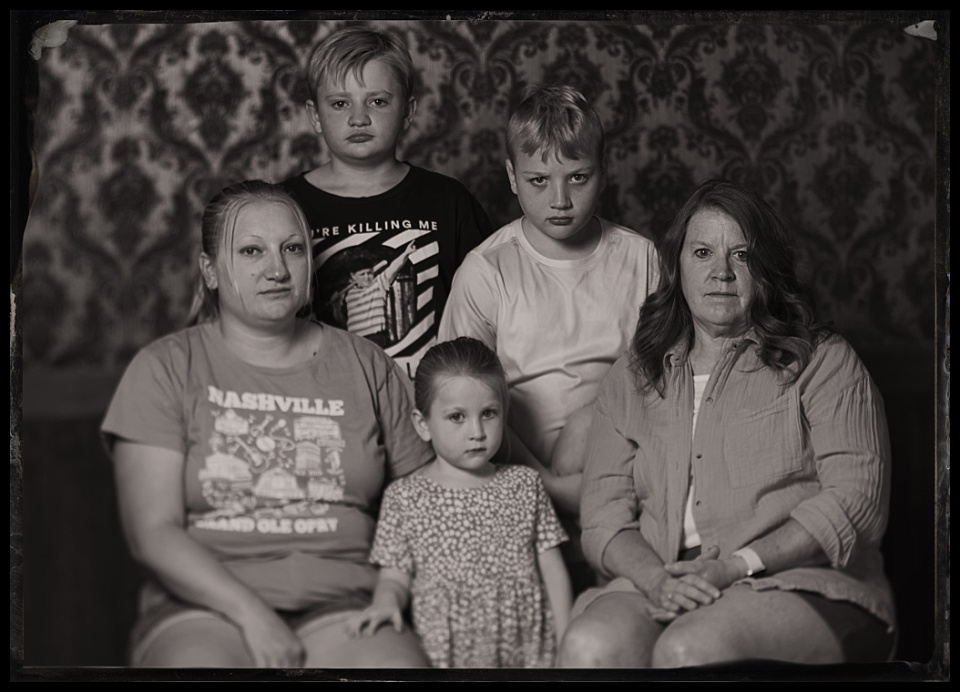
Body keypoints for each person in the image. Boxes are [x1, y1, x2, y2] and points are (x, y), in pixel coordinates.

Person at [558, 179, 897, 668]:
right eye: (702, 253)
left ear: (766, 270)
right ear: (677, 266)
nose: (721, 272)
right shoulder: (631, 377)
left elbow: (857, 500)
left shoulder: (824, 362)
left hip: (800, 580)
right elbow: (604, 518)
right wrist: (657, 580)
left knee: (690, 648)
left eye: (741, 255)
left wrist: (737, 566)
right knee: (590, 647)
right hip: (665, 576)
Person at [100, 180, 432, 668]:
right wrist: (253, 615)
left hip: (347, 607)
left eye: (292, 249)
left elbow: (424, 501)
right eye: (251, 251)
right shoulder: (165, 367)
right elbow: (153, 530)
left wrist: (396, 591)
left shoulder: (365, 363)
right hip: (205, 609)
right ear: (210, 271)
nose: (276, 269)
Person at [438, 84, 660, 591]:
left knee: (595, 415)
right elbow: (458, 394)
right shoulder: (487, 269)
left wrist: (605, 481)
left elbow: (667, 380)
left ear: (604, 173)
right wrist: (550, 485)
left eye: (578, 178)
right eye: (539, 180)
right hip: (514, 469)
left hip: (627, 469)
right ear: (513, 178)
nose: (560, 200)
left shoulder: (640, 259)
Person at [345, 337, 573, 668]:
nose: (476, 431)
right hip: (447, 656)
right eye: (456, 417)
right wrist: (385, 603)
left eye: (489, 414)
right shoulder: (405, 497)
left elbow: (552, 571)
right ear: (423, 425)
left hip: (527, 654)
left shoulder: (525, 484)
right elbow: (394, 577)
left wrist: (566, 642)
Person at [280, 26, 493, 380]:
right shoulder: (284, 206)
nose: (359, 117)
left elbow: (488, 310)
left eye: (377, 101)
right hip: (323, 398)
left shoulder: (448, 201)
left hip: (426, 404)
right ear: (315, 115)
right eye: (339, 103)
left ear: (408, 112)